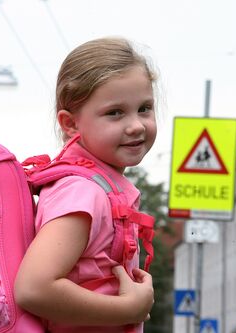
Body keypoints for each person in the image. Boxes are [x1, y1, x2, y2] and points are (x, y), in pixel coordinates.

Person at [15, 37, 158, 333]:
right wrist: (129, 309)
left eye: (144, 108)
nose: (136, 125)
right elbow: (34, 288)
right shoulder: (82, 192)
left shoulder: (100, 187)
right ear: (70, 124)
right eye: (115, 113)